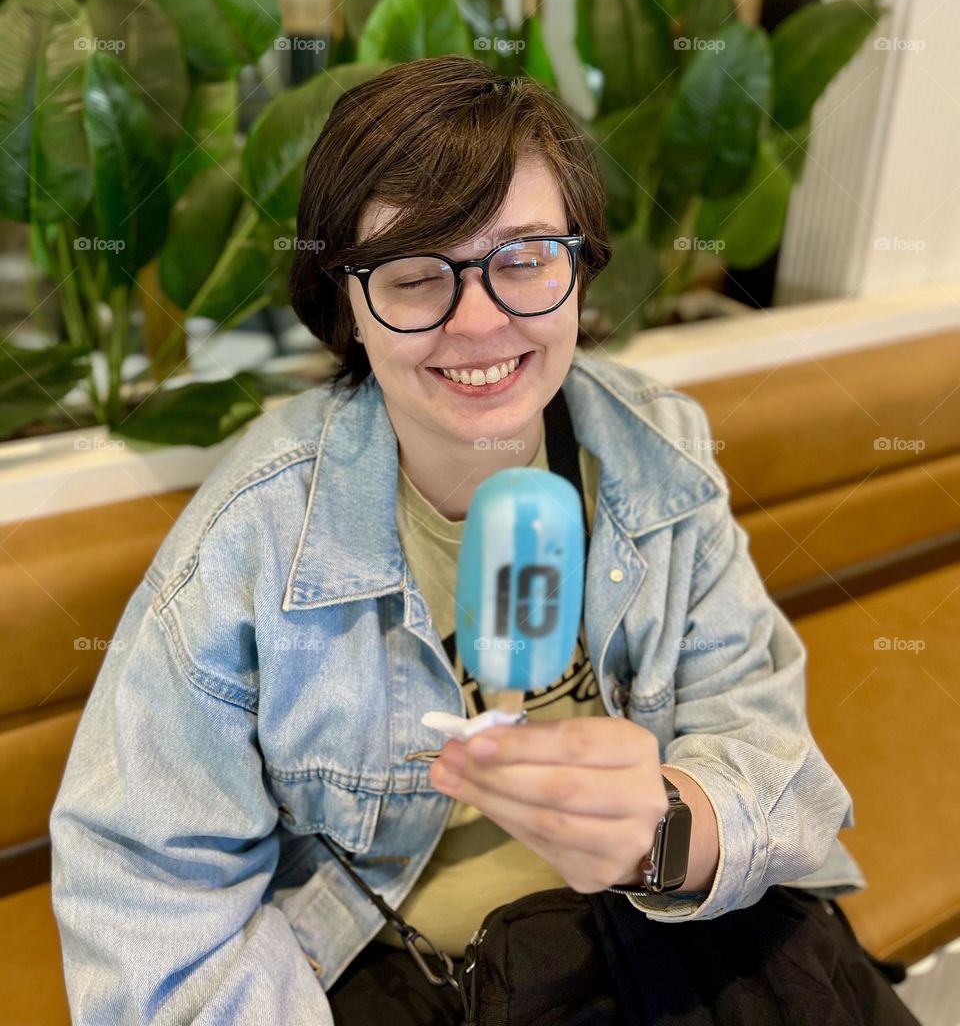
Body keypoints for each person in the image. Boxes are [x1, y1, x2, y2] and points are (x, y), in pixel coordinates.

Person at [49, 55, 917, 1025]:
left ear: (581, 272)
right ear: (349, 305)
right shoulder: (251, 537)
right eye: (417, 274)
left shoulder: (655, 456)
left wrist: (667, 831)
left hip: (669, 933)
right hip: (412, 980)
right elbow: (141, 887)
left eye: (526, 257)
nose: (479, 318)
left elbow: (765, 738)